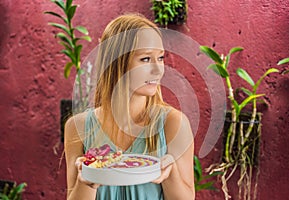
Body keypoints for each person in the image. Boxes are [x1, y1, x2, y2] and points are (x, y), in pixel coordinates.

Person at [64, 13, 195, 200]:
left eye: (160, 58)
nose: (159, 70)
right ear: (117, 62)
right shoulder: (77, 127)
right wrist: (86, 181)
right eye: (146, 59)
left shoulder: (173, 124)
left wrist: (169, 171)